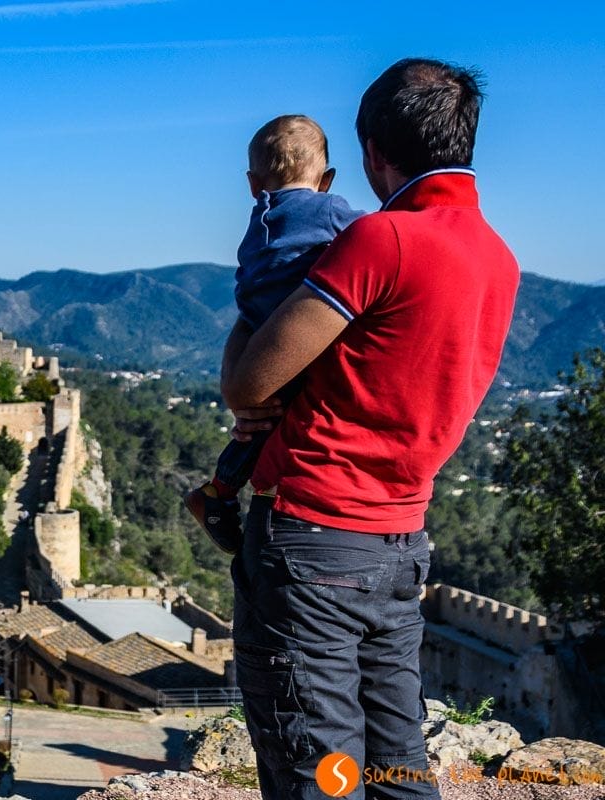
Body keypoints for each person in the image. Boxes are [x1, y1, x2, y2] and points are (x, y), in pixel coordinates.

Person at [220, 59, 519, 799]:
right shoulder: (499, 259)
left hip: (312, 539)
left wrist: (248, 321)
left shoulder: (383, 240)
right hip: (401, 544)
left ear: (376, 151)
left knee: (317, 768)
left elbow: (252, 380)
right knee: (395, 764)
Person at [184, 115, 363, 554]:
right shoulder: (330, 209)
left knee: (255, 426)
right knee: (281, 418)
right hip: (298, 335)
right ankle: (222, 495)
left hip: (258, 328)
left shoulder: (257, 221)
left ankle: (220, 491)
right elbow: (374, 236)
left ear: (252, 182)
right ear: (328, 179)